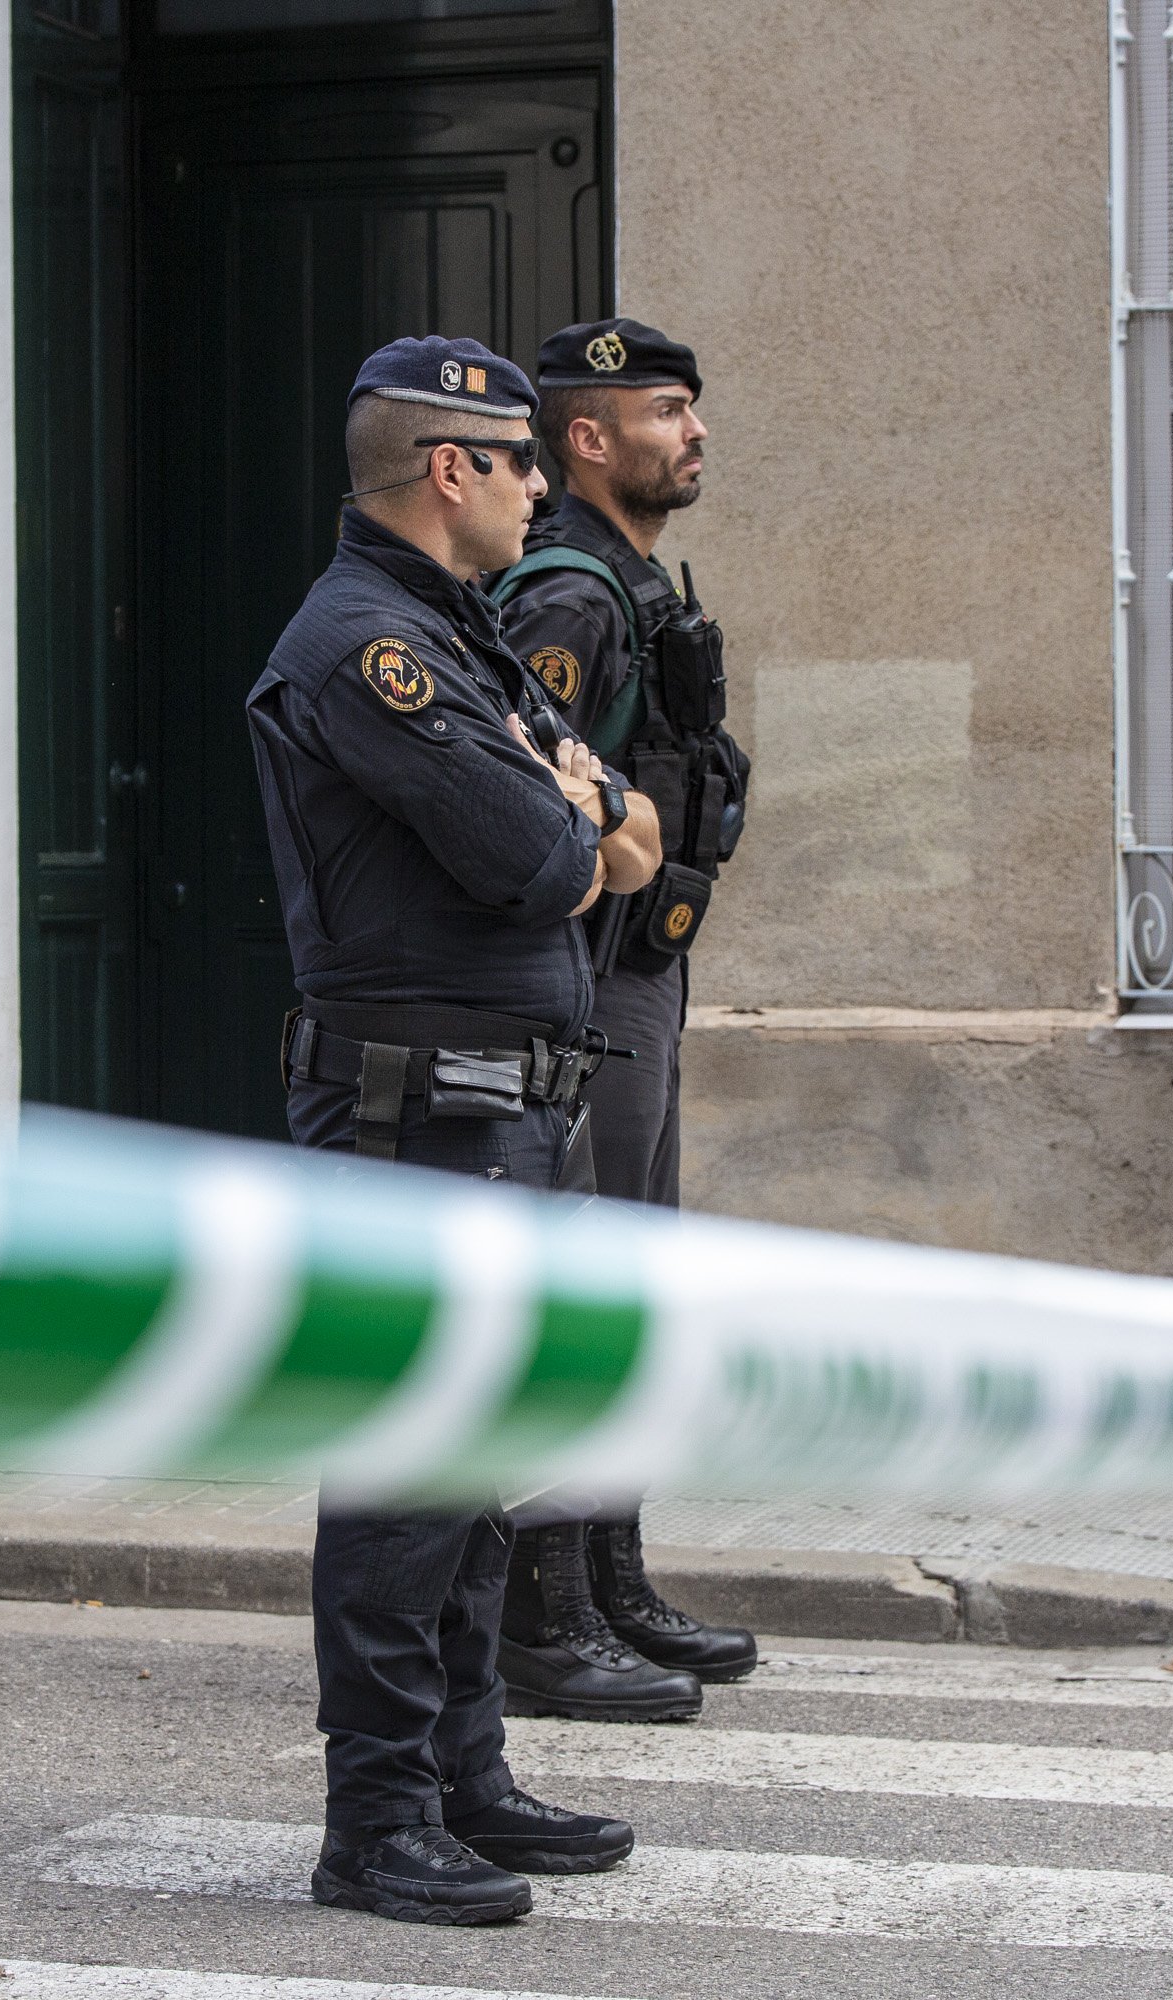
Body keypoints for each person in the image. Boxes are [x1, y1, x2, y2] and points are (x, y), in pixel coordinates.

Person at [246, 334, 668, 1926]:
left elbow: (631, 835)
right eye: (518, 464)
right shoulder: (370, 649)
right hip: (412, 1119)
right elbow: (549, 860)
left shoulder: (465, 638)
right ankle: (375, 1816)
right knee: (402, 1471)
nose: (543, 487)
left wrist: (584, 806)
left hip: (506, 1115)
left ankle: (465, 1772)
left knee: (477, 1464)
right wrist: (575, 811)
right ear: (450, 471)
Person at [489, 318, 759, 1716]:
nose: (696, 430)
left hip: (641, 975)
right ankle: (544, 1613)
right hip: (592, 984)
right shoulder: (571, 599)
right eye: (667, 410)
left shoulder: (633, 585)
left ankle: (610, 1579)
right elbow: (534, 792)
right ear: (586, 437)